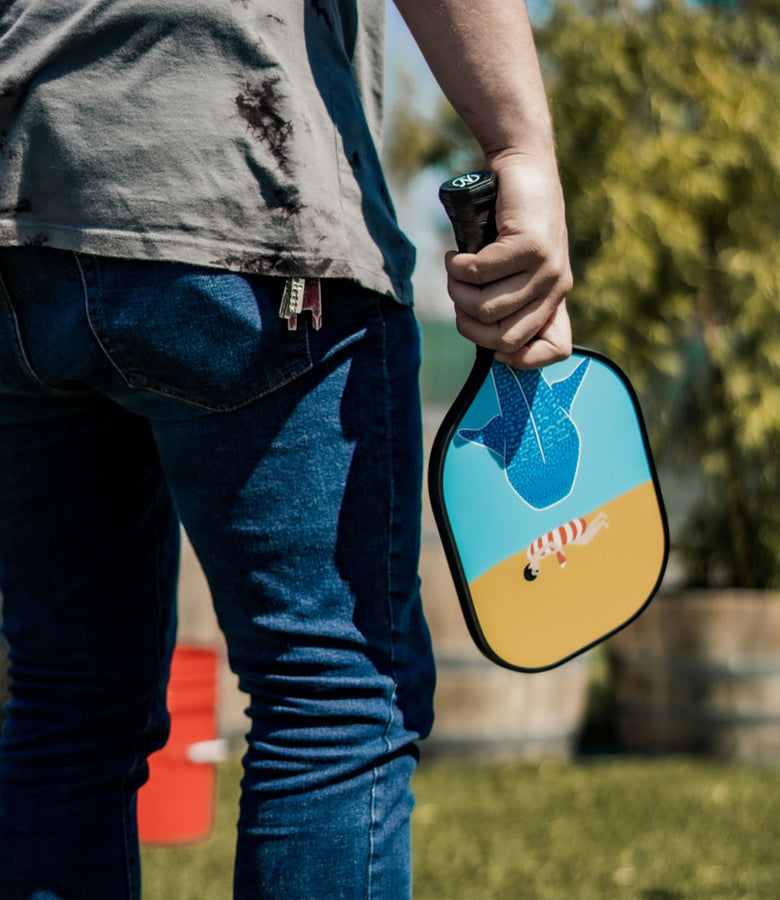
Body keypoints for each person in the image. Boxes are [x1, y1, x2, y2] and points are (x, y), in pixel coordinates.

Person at [0, 0, 572, 897]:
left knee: (64, 705)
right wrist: (520, 150)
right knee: (332, 700)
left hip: (17, 214)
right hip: (238, 174)